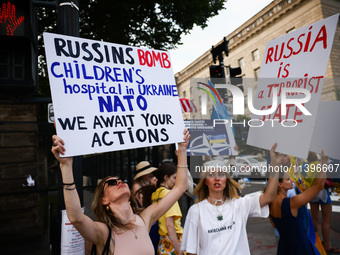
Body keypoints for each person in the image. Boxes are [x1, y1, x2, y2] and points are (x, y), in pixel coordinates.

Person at [51, 129, 190, 255]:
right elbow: (76, 218)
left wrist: (182, 150)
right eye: (111, 183)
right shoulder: (103, 232)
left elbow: (180, 187)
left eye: (121, 180)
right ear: (104, 200)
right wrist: (66, 166)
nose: (119, 182)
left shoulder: (145, 219)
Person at [181, 143, 281, 255]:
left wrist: (275, 163)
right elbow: (191, 251)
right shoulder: (196, 210)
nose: (217, 178)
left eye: (221, 174)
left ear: (227, 179)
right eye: (211, 175)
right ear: (204, 181)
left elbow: (269, 196)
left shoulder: (240, 204)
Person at [269, 150, 329, 255]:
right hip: (300, 247)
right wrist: (324, 162)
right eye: (288, 179)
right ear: (280, 184)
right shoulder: (292, 202)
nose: (292, 181)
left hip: (284, 247)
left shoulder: (269, 203)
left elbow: (275, 225)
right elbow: (319, 186)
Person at [304, 152, 340, 253]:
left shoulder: (307, 166)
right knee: (326, 219)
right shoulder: (321, 164)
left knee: (314, 219)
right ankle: (327, 245)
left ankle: (316, 242)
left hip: (312, 193)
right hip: (323, 192)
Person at [149, 162, 185, 255]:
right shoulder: (168, 194)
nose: (176, 181)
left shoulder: (155, 194)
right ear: (165, 178)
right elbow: (170, 225)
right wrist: (179, 252)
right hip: (173, 241)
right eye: (174, 177)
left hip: (162, 242)